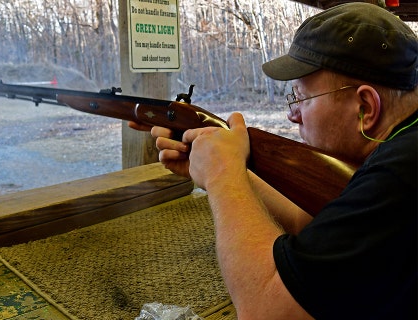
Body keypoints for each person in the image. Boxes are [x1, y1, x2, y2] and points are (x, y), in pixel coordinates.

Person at [130, 3, 417, 319]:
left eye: (300, 99)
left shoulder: (399, 176)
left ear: (365, 107)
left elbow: (268, 308)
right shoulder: (400, 148)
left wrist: (223, 176)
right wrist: (229, 167)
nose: (292, 115)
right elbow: (310, 222)